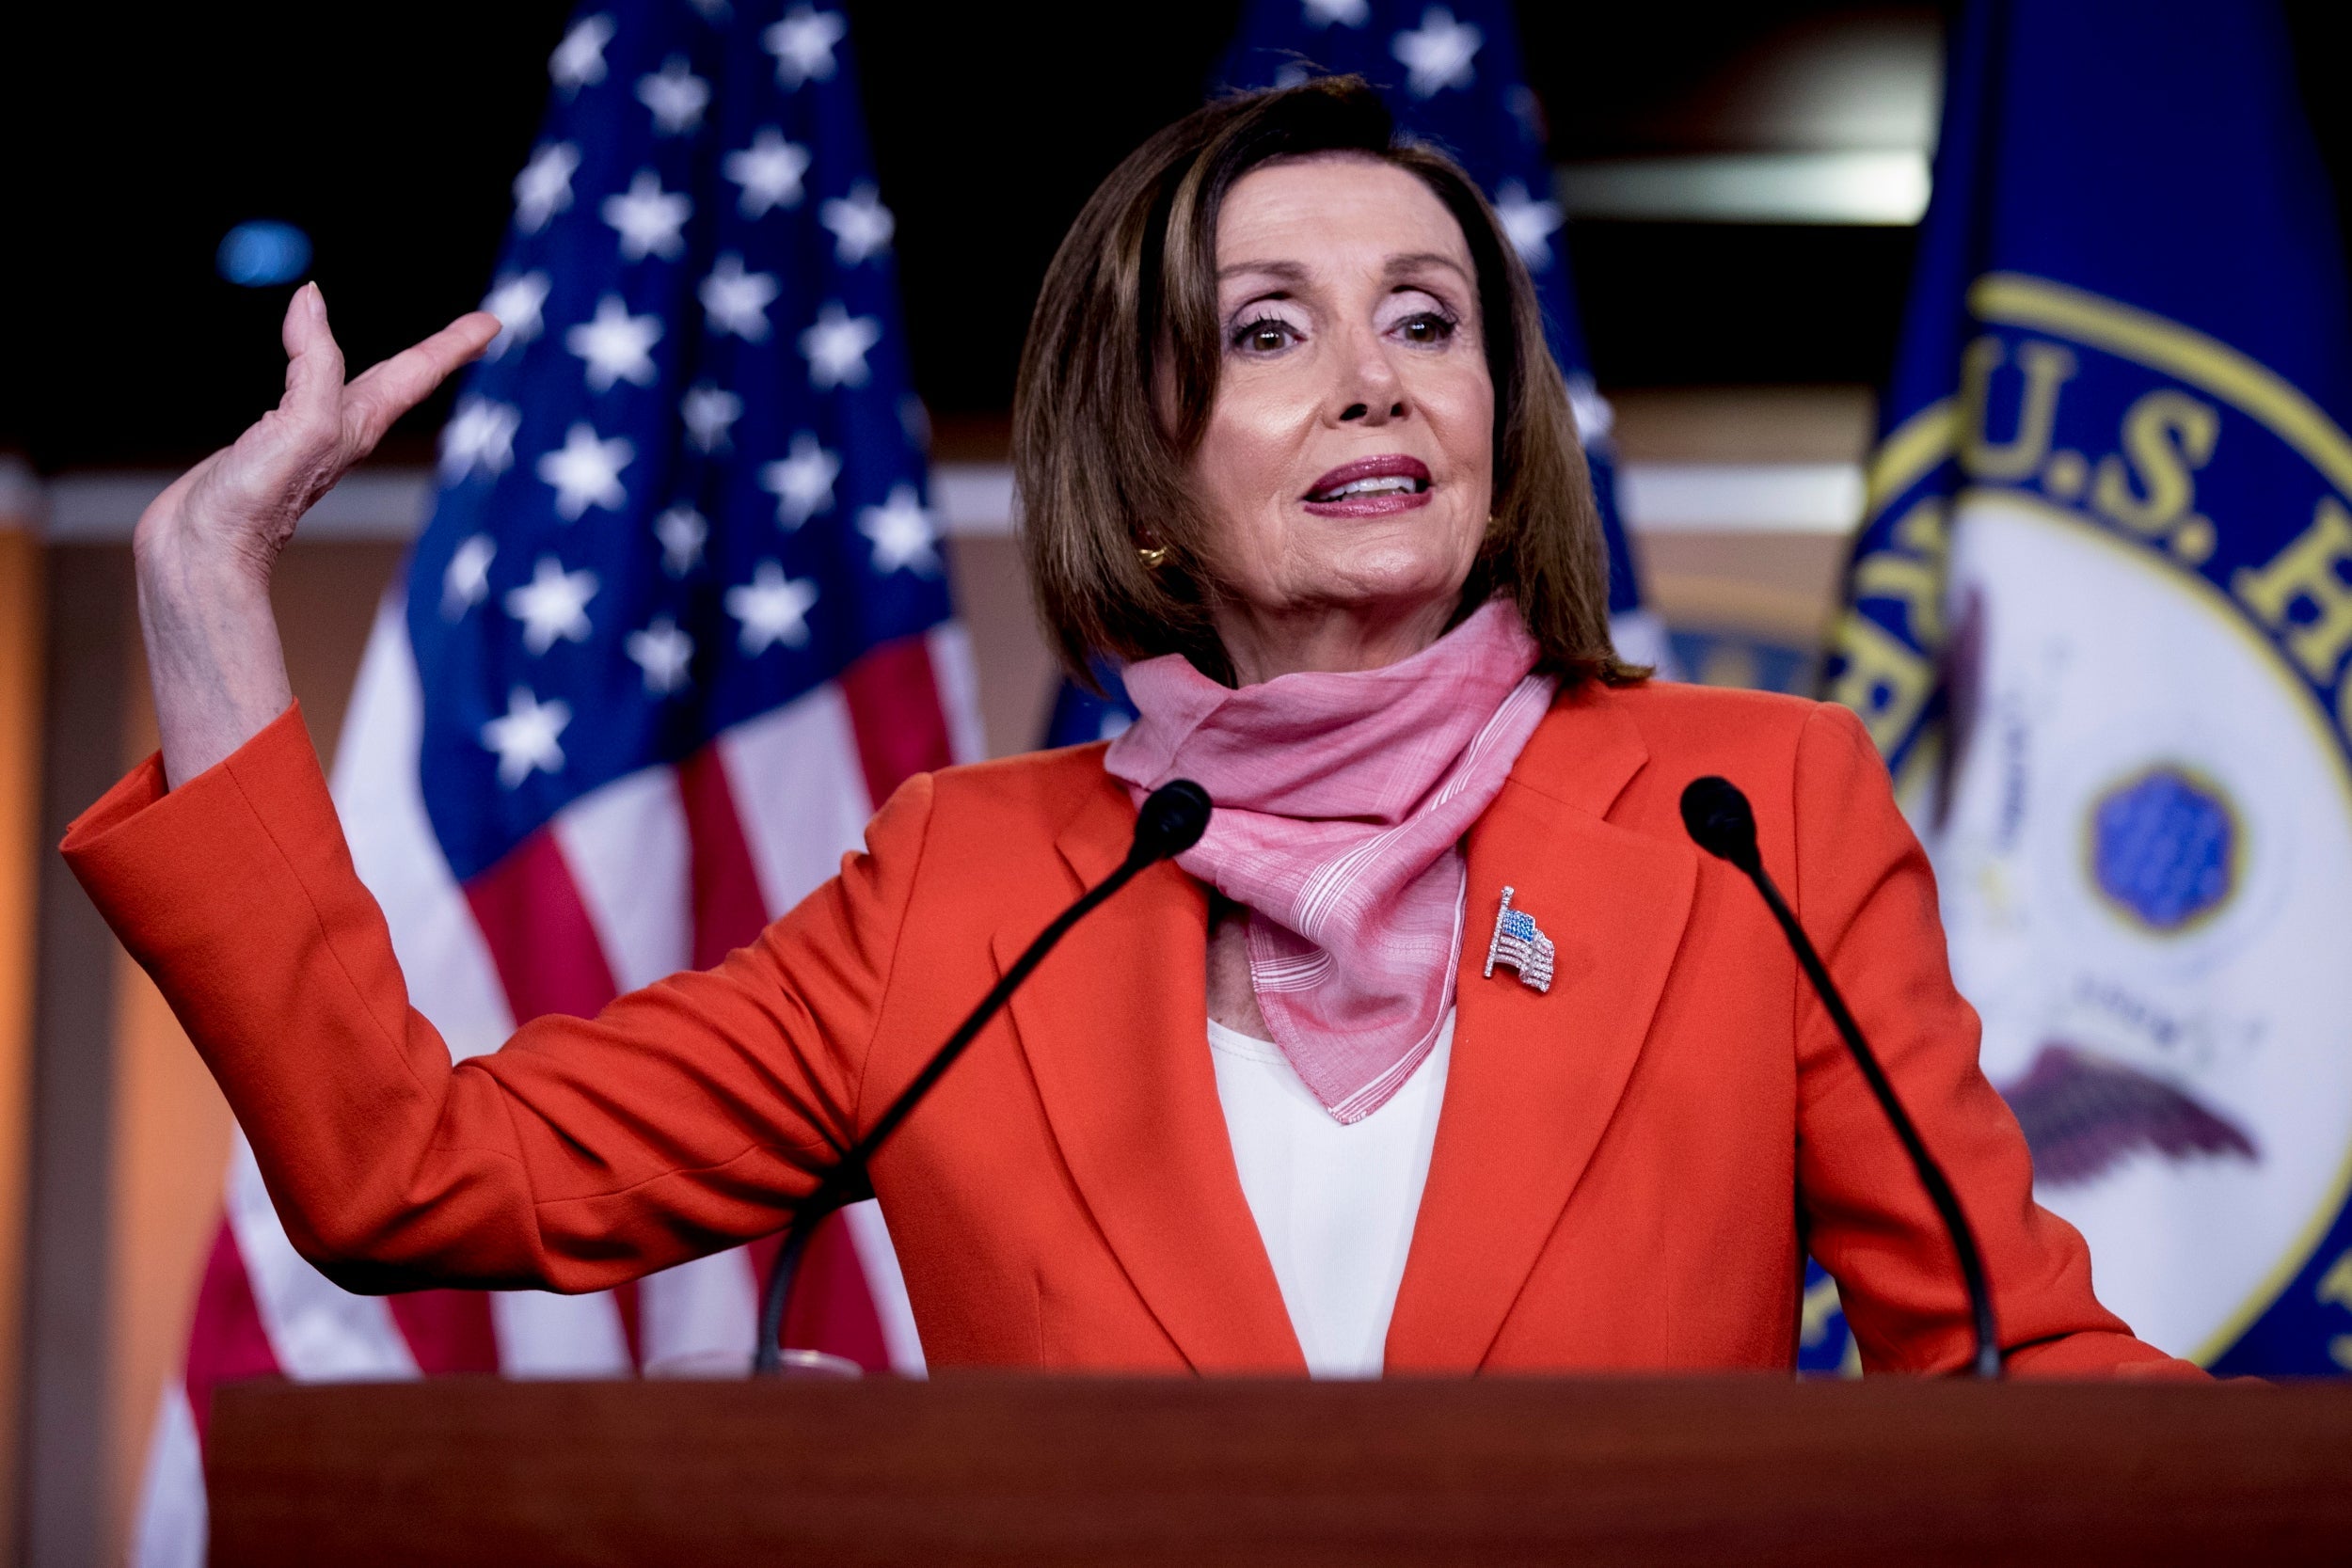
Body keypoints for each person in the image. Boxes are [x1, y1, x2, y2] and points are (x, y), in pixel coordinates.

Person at [66, 79, 2193, 1378]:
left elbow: (2014, 1360)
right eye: (1268, 329)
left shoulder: (1751, 810)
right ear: (1146, 462)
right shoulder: (965, 886)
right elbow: (405, 1174)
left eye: (1426, 322)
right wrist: (201, 604)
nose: (1375, 376)